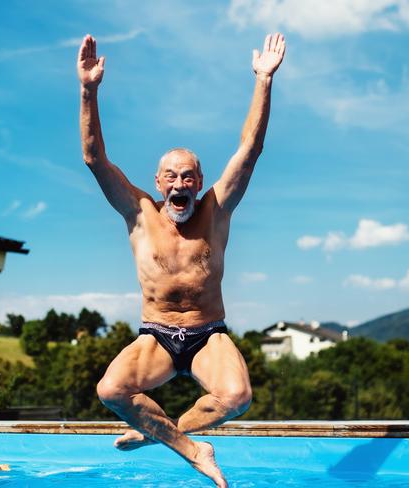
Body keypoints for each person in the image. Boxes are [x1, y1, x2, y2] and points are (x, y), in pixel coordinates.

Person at [77, 32, 285, 487]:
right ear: (157, 181)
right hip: (156, 335)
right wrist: (88, 89)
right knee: (111, 390)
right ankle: (193, 449)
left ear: (199, 181)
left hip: (208, 334)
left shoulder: (217, 208)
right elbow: (94, 158)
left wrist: (263, 80)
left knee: (237, 396)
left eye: (187, 176)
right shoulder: (139, 211)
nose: (179, 184)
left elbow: (250, 151)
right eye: (170, 176)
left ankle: (160, 435)